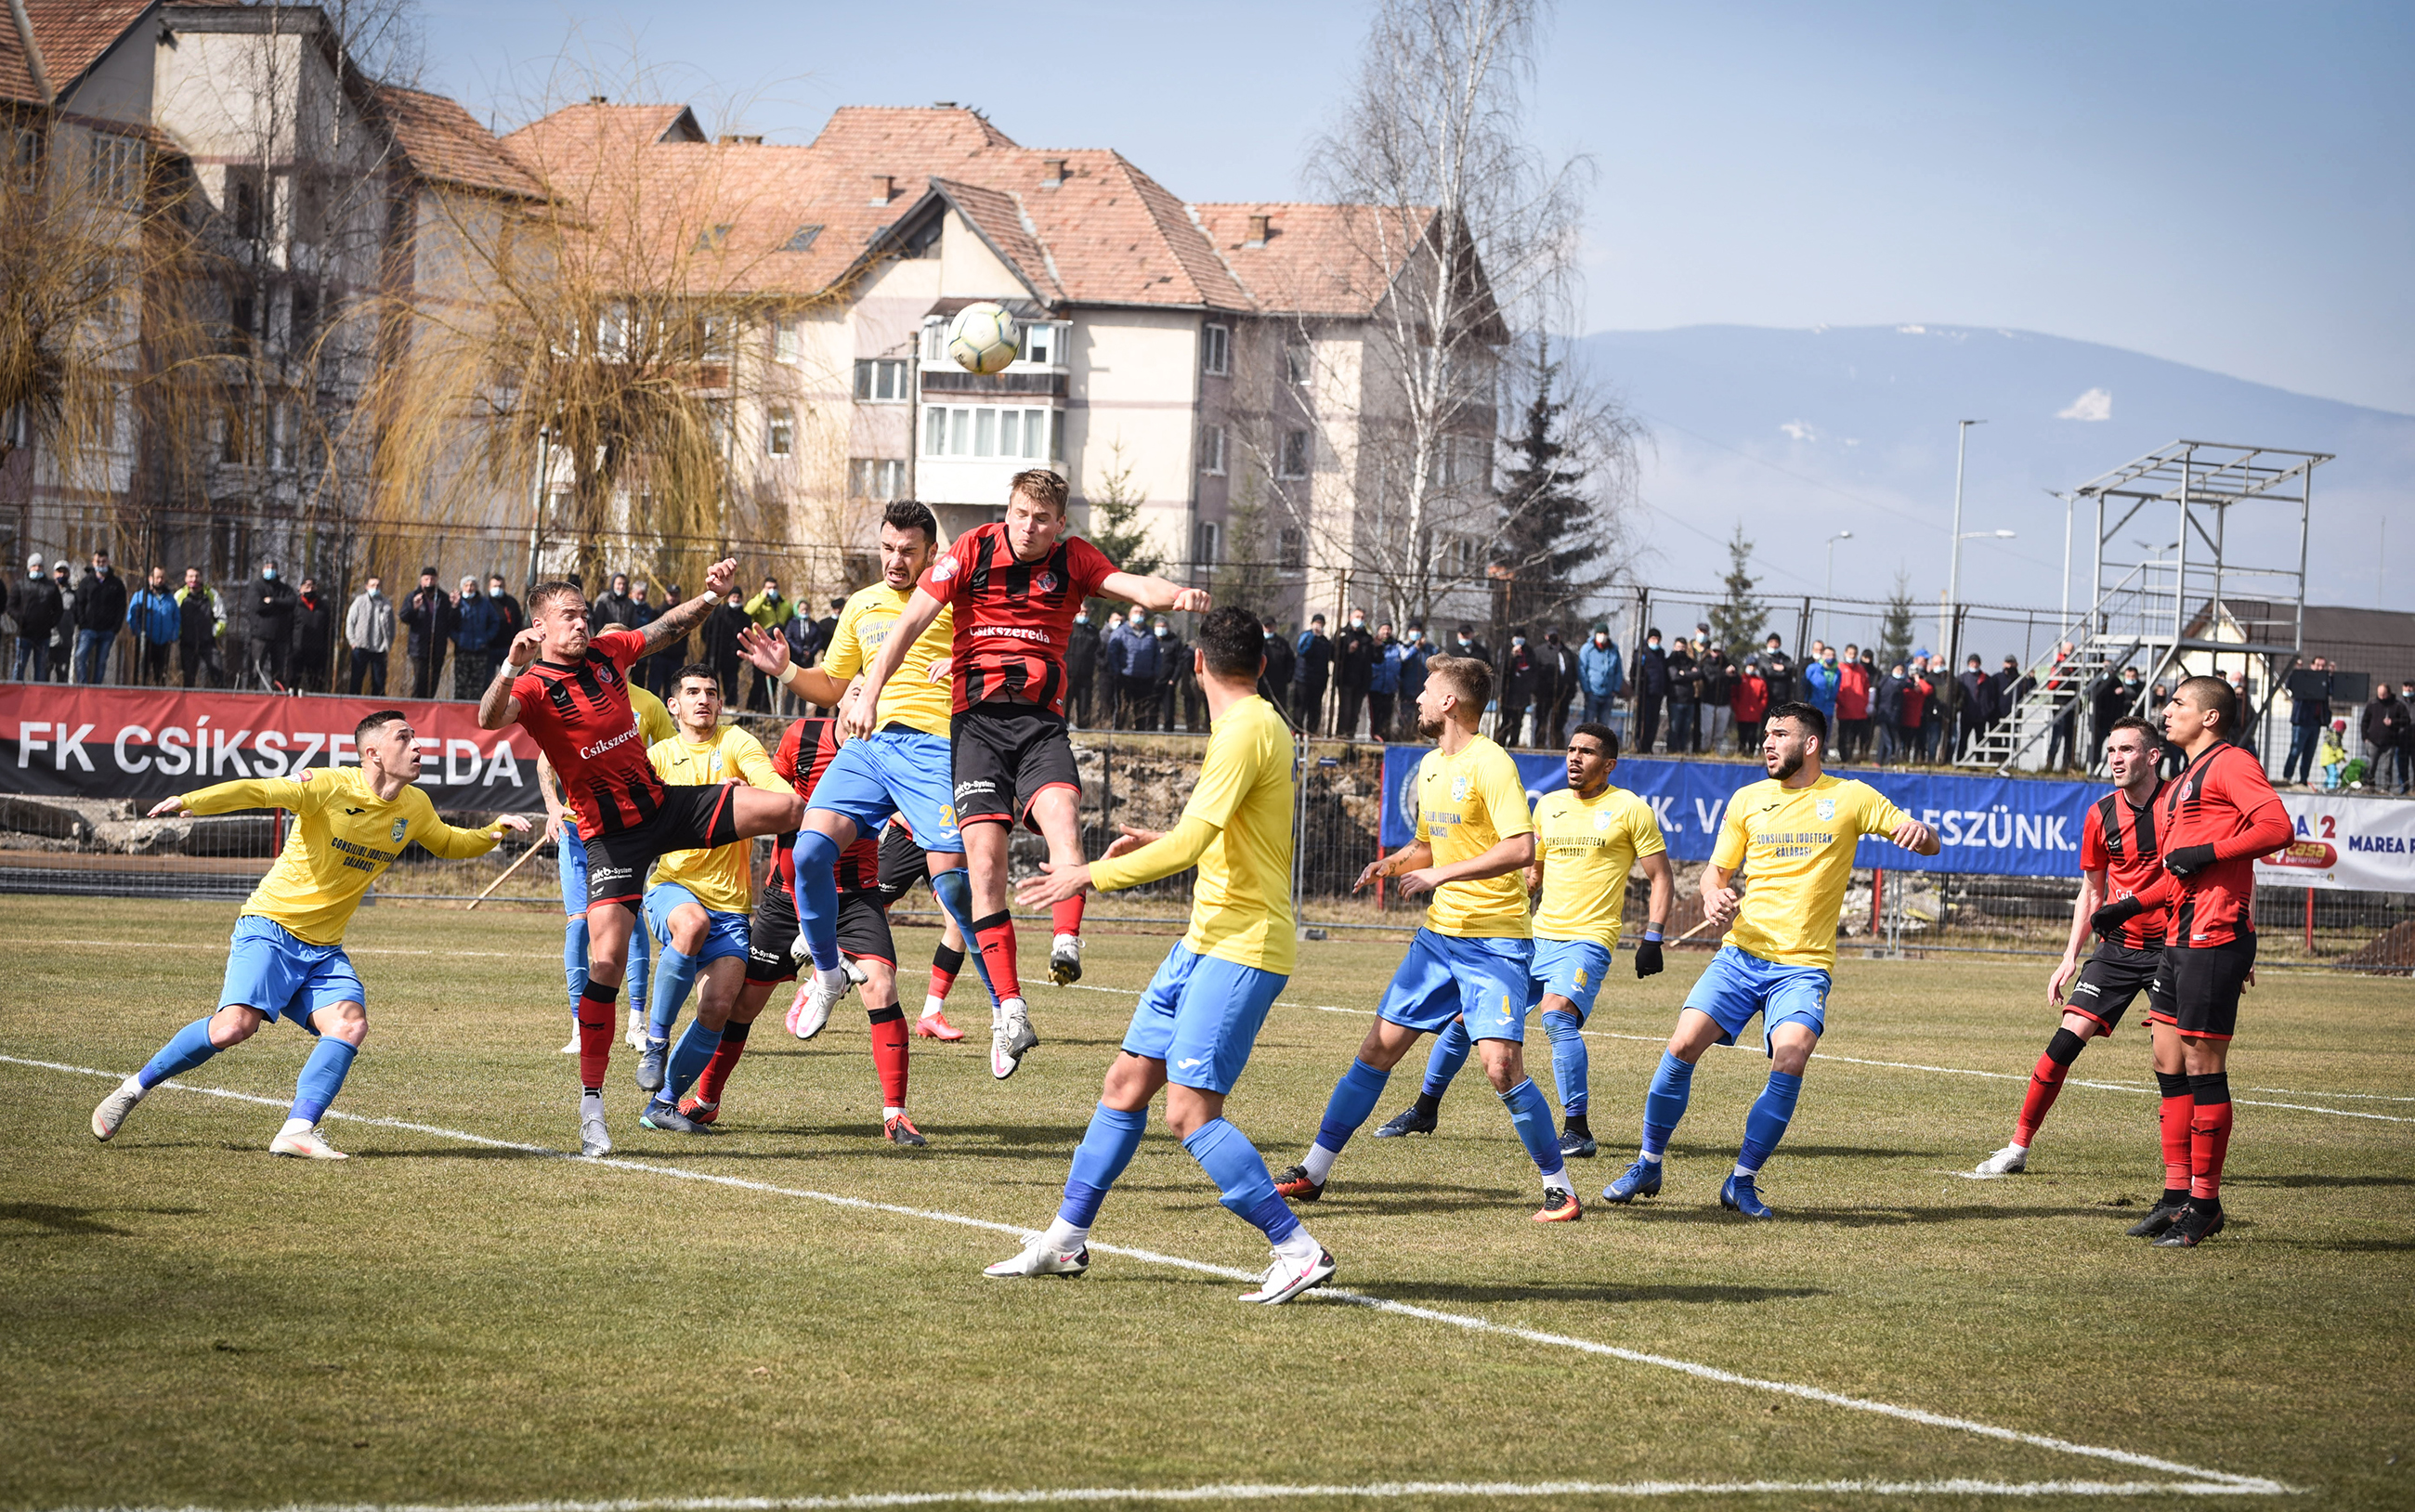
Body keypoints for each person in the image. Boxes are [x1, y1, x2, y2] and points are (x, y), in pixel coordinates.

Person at [990, 606, 1333, 1300]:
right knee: (1123, 1087)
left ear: (1197, 663)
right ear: (1262, 665)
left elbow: (1193, 844)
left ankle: (1296, 1248)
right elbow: (1217, 837)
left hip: (1243, 946)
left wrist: (1087, 874)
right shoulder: (1248, 726)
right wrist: (1159, 841)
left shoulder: (1247, 729)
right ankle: (1064, 1242)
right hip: (1202, 942)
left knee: (1188, 1113)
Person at [843, 471, 1208, 1078]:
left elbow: (1129, 584)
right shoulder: (971, 549)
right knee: (984, 866)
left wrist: (1176, 595)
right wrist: (869, 693)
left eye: (1041, 518)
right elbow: (909, 625)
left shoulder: (1074, 560)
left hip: (1040, 726)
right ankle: (1009, 1009)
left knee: (1064, 826)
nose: (1028, 527)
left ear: (1059, 523)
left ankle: (1067, 941)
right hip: (978, 729)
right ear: (1006, 510)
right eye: (1019, 513)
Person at [477, 563, 806, 1157]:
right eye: (568, 617)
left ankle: (807, 932)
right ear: (540, 627)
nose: (582, 623)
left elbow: (665, 628)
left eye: (583, 613)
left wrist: (711, 595)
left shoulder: (607, 654)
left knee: (789, 810)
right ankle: (592, 1105)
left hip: (665, 809)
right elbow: (487, 717)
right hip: (611, 839)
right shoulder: (531, 684)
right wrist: (510, 664)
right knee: (605, 963)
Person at [92, 711, 530, 1156]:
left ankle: (297, 1130)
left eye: (416, 738)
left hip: (323, 950)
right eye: (405, 738)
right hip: (270, 928)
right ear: (372, 754)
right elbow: (261, 790)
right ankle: (134, 1088)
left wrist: (494, 830)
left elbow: (450, 843)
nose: (418, 747)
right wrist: (194, 800)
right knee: (232, 1029)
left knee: (349, 1023)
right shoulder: (328, 785)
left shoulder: (414, 806)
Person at [1271, 655, 1579, 1223]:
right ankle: (1313, 1172)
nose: (1416, 698)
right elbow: (1429, 846)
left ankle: (1559, 1187)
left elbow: (1520, 848)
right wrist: (1391, 864)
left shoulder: (1492, 764)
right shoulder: (1434, 766)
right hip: (1438, 940)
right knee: (1375, 1051)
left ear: (1451, 702)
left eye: (1427, 689)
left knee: (1500, 1067)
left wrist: (1437, 875)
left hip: (1494, 942)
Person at [1600, 702, 1939, 1217]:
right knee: (1682, 1043)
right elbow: (1716, 874)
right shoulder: (1747, 800)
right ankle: (1648, 1162)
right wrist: (1714, 894)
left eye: (1779, 734)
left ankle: (1742, 1180)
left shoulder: (1849, 798)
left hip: (1804, 965)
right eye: (1765, 734)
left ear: (1810, 745)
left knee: (1793, 1054)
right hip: (1742, 954)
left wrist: (1923, 833)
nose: (1766, 743)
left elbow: (1927, 842)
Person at [745, 500, 993, 1082]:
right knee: (808, 851)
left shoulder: (956, 600)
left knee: (957, 889)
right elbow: (831, 686)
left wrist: (959, 669)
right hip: (875, 752)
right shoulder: (861, 605)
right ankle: (827, 973)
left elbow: (990, 665)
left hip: (937, 753)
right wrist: (785, 670)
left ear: (932, 551)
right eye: (886, 548)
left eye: (907, 551)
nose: (895, 561)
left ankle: (1005, 1005)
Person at [1372, 723, 1675, 1157]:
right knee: (1467, 1020)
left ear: (1608, 764)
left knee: (1556, 1018)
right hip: (1535, 937)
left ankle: (1578, 1130)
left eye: (1586, 752)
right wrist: (1509, 902)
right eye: (1570, 749)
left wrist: (1653, 936)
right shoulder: (1548, 806)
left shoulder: (1630, 809)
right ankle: (1424, 1108)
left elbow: (1660, 875)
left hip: (1587, 939)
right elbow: (1534, 875)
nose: (1574, 757)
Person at [2087, 675, 2292, 1247]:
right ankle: (2177, 1197)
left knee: (2205, 1069)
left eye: (2178, 702)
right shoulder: (2179, 785)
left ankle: (2206, 1204)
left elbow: (2277, 827)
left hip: (2214, 934)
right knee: (2169, 1066)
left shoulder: (2231, 763)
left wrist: (2209, 851)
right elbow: (2176, 874)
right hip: (2176, 936)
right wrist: (2125, 906)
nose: (2167, 709)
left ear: (2210, 718)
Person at [708, 712, 973, 1136]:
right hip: (787, 896)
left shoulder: (892, 746)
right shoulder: (803, 735)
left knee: (882, 985)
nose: (864, 698)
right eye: (855, 688)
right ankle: (706, 1099)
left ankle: (895, 1113)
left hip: (855, 895)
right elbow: (771, 787)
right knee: (743, 1004)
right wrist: (745, 794)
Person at [1973, 717, 2170, 1178]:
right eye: (2111, 751)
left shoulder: (2180, 806)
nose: (2116, 759)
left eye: (2126, 750)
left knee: (2173, 1061)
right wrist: (2069, 956)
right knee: (2063, 1042)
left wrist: (2241, 940)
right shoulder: (2100, 813)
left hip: (2173, 949)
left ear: (2153, 756)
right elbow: (2092, 891)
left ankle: (2186, 1173)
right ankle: (2017, 1148)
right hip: (2117, 949)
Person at [630, 663, 782, 1133]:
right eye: (692, 692)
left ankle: (664, 1105)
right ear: (672, 705)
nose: (704, 700)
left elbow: (774, 787)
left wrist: (753, 794)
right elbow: (635, 817)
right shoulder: (656, 758)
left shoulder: (736, 742)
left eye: (712, 693)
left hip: (732, 905)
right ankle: (655, 1043)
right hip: (673, 889)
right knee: (691, 924)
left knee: (719, 1007)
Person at [536, 636, 673, 1056]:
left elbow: (669, 753)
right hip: (578, 832)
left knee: (627, 922)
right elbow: (546, 759)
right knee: (578, 924)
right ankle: (580, 1024)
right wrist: (553, 806)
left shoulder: (647, 704)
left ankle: (636, 1020)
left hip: (626, 832)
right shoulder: (565, 694)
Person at [73, 548, 127, 684]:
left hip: (107, 630)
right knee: (80, 656)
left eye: (104, 561)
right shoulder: (86, 582)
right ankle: (83, 684)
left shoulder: (116, 584)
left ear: (108, 562)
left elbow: (121, 607)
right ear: (93, 562)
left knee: (101, 661)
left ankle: (97, 687)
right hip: (88, 629)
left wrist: (115, 627)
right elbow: (79, 603)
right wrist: (82, 623)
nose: (101, 564)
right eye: (98, 561)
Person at [242, 558, 297, 689]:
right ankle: (252, 692)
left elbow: (291, 602)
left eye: (273, 567)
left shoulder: (284, 588)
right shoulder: (256, 587)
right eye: (267, 567)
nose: (270, 570)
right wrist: (280, 608)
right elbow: (258, 606)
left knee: (278, 672)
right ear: (262, 570)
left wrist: (272, 601)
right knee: (255, 670)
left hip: (280, 636)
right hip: (260, 636)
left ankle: (277, 695)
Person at [400, 568, 453, 699]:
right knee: (420, 678)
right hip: (418, 646)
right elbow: (404, 617)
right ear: (421, 580)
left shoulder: (443, 598)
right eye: (426, 579)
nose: (429, 582)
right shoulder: (413, 596)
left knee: (434, 679)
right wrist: (414, 608)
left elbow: (452, 621)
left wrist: (455, 607)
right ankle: (416, 706)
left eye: (432, 579)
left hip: (438, 646)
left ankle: (429, 705)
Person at [742, 577, 792, 710]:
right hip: (761, 644)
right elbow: (747, 611)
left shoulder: (784, 604)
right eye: (769, 588)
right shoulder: (760, 602)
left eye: (774, 588)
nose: (772, 591)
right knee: (758, 678)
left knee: (774, 678)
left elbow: (789, 616)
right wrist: (762, 597)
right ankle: (753, 707)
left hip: (775, 645)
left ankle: (767, 707)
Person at [450, 575, 502, 699]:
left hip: (480, 649)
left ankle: (473, 713)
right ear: (462, 587)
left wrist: (487, 637)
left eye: (472, 585)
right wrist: (457, 638)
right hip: (463, 649)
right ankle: (458, 711)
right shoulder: (457, 603)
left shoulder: (484, 603)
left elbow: (495, 621)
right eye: (466, 585)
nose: (469, 588)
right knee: (461, 685)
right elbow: (450, 623)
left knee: (477, 685)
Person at [11, 552, 60, 681]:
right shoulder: (20, 585)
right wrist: (19, 619)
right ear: (29, 567)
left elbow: (59, 609)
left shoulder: (51, 587)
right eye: (34, 566)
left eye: (40, 566)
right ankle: (15, 693)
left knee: (41, 669)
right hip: (24, 634)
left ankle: (38, 697)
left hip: (43, 636)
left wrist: (50, 623)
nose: (37, 569)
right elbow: (10, 606)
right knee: (19, 666)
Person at [2282, 657, 2330, 787]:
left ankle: (2303, 779)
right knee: (2295, 750)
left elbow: (2331, 691)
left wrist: (2331, 676)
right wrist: (2297, 672)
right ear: (2312, 665)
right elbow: (2289, 685)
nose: (2320, 669)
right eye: (2318, 665)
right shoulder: (2303, 677)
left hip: (2316, 722)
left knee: (2309, 753)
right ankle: (2287, 777)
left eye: (2323, 666)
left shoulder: (2324, 681)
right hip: (2302, 720)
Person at [126, 567, 178, 684]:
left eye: (162, 578)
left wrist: (173, 635)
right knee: (143, 673)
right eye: (157, 578)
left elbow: (176, 618)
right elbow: (132, 617)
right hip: (147, 641)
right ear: (150, 579)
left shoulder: (170, 599)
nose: (160, 581)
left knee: (160, 675)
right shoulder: (141, 596)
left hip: (164, 642)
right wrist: (139, 633)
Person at [345, 576, 394, 695]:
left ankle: (377, 709)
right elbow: (350, 622)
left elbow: (392, 626)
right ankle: (353, 706)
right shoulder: (359, 601)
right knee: (356, 680)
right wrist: (352, 642)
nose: (375, 588)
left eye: (377, 586)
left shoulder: (387, 604)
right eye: (372, 585)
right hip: (360, 647)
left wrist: (388, 644)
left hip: (379, 649)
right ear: (367, 587)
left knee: (379, 682)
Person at [175, 567, 224, 687]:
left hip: (208, 643)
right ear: (186, 579)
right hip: (188, 643)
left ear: (202, 578)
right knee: (189, 677)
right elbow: (174, 619)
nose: (194, 579)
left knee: (217, 673)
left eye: (197, 576)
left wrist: (212, 633)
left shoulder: (212, 594)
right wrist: (180, 634)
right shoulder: (179, 595)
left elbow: (222, 618)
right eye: (191, 576)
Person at [1333, 607, 1375, 738]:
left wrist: (1378, 647)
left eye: (1362, 618)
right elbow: (1333, 654)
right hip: (1345, 679)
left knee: (1355, 713)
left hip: (1361, 681)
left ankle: (1350, 737)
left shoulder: (1367, 638)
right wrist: (1348, 650)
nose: (1360, 620)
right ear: (1351, 618)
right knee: (1345, 711)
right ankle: (1341, 736)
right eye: (1357, 617)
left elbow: (1375, 659)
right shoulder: (1342, 634)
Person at [702, 589, 750, 701]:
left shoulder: (745, 617)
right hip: (717, 654)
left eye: (738, 597)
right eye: (733, 596)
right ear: (728, 598)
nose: (736, 599)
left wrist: (741, 652)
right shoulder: (718, 613)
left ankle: (731, 705)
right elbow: (706, 632)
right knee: (710, 682)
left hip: (733, 657)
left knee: (732, 684)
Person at [2360, 681, 2408, 794]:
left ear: (2389, 693)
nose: (2381, 697)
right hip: (2373, 740)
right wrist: (2365, 737)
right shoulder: (2372, 704)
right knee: (2371, 766)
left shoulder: (2398, 706)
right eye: (2379, 694)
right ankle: (2369, 786)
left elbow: (2406, 721)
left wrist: (2393, 722)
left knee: (2387, 767)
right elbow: (2364, 722)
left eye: (2383, 694)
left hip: (2390, 742)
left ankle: (2386, 788)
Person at [1498, 628, 1543, 748]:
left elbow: (1534, 671)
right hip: (1508, 693)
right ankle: (1500, 745)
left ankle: (1513, 745)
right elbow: (1502, 671)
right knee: (1505, 722)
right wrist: (1512, 656)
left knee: (1517, 723)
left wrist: (1531, 688)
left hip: (1522, 693)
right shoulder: (1506, 650)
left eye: (1522, 636)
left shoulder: (1529, 652)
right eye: (1517, 636)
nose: (1519, 639)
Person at [289, 576, 333, 691]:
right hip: (297, 649)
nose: (309, 590)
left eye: (312, 587)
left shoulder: (323, 606)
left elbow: (328, 629)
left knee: (315, 682)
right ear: (300, 589)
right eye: (306, 587)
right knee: (294, 680)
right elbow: (288, 627)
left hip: (316, 651)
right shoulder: (295, 605)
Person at [1292, 612, 1332, 731]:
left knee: (1315, 708)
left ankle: (1312, 731)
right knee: (1300, 707)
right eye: (1317, 623)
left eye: (1321, 623)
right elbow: (1302, 651)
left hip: (1319, 679)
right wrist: (1312, 637)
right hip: (1303, 678)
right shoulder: (1306, 636)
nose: (1319, 626)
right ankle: (1297, 730)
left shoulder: (1325, 641)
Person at [1633, 627, 1668, 754]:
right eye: (1653, 638)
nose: (1656, 641)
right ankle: (1640, 745)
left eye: (1658, 639)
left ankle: (1649, 746)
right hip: (1645, 693)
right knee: (1644, 720)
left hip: (1657, 693)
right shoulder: (1642, 652)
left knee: (1654, 722)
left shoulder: (1661, 654)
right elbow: (1635, 671)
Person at [1578, 625, 1622, 728]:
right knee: (1588, 724)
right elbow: (1582, 670)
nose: (1602, 636)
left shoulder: (1614, 651)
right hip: (1592, 693)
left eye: (1605, 633)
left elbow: (1618, 672)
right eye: (1600, 633)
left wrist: (1615, 689)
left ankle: (1600, 744)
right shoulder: (1587, 649)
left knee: (1603, 726)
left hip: (1608, 693)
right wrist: (1587, 689)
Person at [1066, 605, 1102, 726]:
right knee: (1064, 706)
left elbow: (1098, 651)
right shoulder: (1067, 628)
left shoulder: (1093, 631)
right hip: (1068, 675)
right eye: (1081, 612)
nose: (1084, 615)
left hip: (1086, 676)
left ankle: (1084, 730)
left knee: (1084, 707)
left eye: (1086, 612)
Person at [1835, 644, 1872, 762]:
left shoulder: (1861, 669)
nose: (1852, 656)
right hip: (1844, 709)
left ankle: (1853, 757)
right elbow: (1838, 687)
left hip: (1859, 710)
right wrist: (1841, 702)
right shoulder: (1839, 668)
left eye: (1854, 654)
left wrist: (1864, 702)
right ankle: (1844, 757)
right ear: (1845, 653)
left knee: (1856, 736)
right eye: (1850, 653)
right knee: (1844, 735)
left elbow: (1866, 688)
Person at [1663, 635, 1698, 754]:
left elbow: (1698, 674)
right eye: (1678, 647)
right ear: (1674, 647)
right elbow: (1674, 676)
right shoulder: (1670, 661)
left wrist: (1683, 674)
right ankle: (1672, 750)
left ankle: (1683, 750)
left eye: (1683, 647)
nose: (1681, 650)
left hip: (1689, 700)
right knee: (1674, 728)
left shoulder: (1690, 661)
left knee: (1686, 729)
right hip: (1675, 699)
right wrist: (1688, 674)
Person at [1698, 638, 1733, 755]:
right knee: (1707, 732)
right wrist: (1724, 674)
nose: (1717, 654)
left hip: (1724, 703)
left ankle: (1716, 752)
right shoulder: (1707, 663)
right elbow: (1710, 679)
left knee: (1720, 733)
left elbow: (1737, 680)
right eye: (1714, 651)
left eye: (1719, 651)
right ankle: (1704, 751)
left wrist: (1732, 673)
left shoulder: (1727, 664)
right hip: (1709, 702)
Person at [1955, 653, 1993, 761]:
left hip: (1981, 716)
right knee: (1963, 739)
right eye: (1972, 662)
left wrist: (1987, 710)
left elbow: (1991, 696)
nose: (1974, 665)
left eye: (1976, 662)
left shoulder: (1986, 679)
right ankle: (1960, 759)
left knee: (1980, 740)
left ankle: (1980, 760)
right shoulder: (1962, 678)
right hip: (1966, 715)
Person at [1367, 621, 1402, 741]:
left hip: (1390, 686)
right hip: (1375, 686)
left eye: (1388, 629)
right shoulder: (1372, 645)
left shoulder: (1396, 646)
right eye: (1383, 629)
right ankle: (1375, 739)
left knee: (1387, 716)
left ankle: (1385, 739)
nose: (1386, 632)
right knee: (1375, 716)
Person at [1393, 626, 1429, 740]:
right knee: (1405, 720)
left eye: (1418, 631)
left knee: (1422, 721)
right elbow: (1403, 660)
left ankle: (1419, 740)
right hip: (1406, 692)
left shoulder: (1429, 650)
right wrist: (1415, 648)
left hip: (1424, 693)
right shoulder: (1404, 648)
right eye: (1413, 631)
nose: (1416, 634)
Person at [1730, 656, 1769, 756]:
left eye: (1754, 666)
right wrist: (1737, 708)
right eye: (1750, 665)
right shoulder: (1740, 680)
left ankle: (1751, 754)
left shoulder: (1760, 682)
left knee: (1752, 736)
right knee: (1742, 736)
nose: (1752, 668)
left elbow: (1764, 697)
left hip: (1754, 716)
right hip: (1741, 714)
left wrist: (1759, 709)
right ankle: (1740, 753)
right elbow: (1734, 695)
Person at [1259, 617, 1295, 717]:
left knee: (1279, 712)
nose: (1269, 629)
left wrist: (1288, 677)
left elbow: (1290, 661)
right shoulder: (1258, 642)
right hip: (1261, 683)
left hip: (1279, 685)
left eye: (1271, 626)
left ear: (1275, 627)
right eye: (1266, 626)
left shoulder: (1282, 643)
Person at [587, 573, 639, 637]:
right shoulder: (603, 599)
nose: (621, 586)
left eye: (624, 584)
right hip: (605, 637)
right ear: (613, 584)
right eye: (619, 584)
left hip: (624, 638)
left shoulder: (630, 603)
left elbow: (633, 625)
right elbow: (597, 622)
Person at [487, 574, 525, 646]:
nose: (497, 589)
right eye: (495, 586)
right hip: (488, 646)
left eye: (500, 586)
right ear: (489, 587)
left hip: (507, 644)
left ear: (504, 587)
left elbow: (518, 622)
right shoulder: (484, 602)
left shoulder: (511, 602)